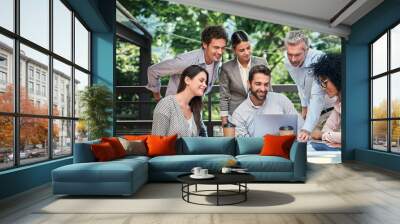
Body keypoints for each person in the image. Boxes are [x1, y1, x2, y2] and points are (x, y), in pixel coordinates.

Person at [146, 25, 228, 101]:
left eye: (223, 48)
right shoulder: (186, 61)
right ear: (205, 44)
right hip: (175, 110)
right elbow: (153, 71)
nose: (220, 52)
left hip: (195, 111)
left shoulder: (216, 61)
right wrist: (158, 98)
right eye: (216, 47)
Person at [283, 30, 336, 142]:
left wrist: (306, 129)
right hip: (314, 115)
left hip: (331, 112)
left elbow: (317, 96)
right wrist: (304, 107)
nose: (293, 59)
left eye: (297, 55)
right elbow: (299, 85)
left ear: (306, 50)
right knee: (304, 144)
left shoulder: (319, 59)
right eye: (290, 54)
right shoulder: (287, 62)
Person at [231, 65, 302, 137]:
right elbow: (245, 145)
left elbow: (300, 126)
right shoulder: (239, 115)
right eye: (258, 84)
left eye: (266, 84)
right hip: (258, 148)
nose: (263, 89)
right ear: (249, 84)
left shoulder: (281, 100)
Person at [220, 30, 268, 126]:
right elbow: (224, 96)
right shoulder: (226, 68)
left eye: (248, 48)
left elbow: (269, 90)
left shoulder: (261, 62)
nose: (246, 52)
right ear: (234, 50)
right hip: (236, 116)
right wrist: (224, 121)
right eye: (242, 50)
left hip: (259, 114)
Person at [151, 65, 208, 137]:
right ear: (187, 80)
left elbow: (200, 139)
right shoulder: (166, 105)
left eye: (206, 82)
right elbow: (157, 142)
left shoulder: (196, 108)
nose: (205, 85)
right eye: (201, 81)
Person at [310, 53, 342, 148]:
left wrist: (322, 135)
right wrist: (324, 134)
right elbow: (327, 128)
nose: (323, 88)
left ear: (336, 77)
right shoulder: (338, 103)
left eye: (324, 83)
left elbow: (351, 137)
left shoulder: (353, 101)